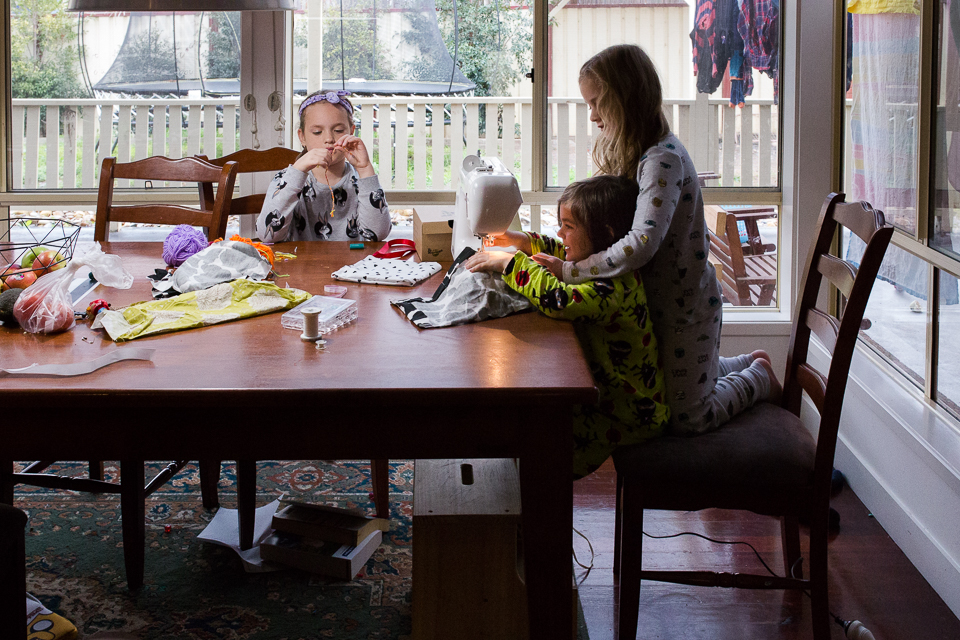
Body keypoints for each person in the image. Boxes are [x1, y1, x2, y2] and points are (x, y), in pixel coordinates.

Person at [529, 44, 780, 435]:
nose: (593, 116)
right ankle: (746, 359)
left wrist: (572, 270)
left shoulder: (662, 160)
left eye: (598, 104)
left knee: (689, 417)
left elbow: (641, 242)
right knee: (680, 383)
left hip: (684, 311)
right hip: (661, 305)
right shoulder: (640, 155)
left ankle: (759, 375)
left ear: (625, 98)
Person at [465, 175, 670, 479]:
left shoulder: (614, 289)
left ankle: (540, 512)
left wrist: (510, 264)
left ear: (607, 235)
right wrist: (525, 241)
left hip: (627, 412)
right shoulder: (603, 261)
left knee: (546, 453)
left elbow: (558, 299)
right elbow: (563, 254)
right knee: (532, 425)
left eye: (569, 227)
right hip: (609, 399)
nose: (560, 233)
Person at [257, 90, 392, 243]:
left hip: (354, 264)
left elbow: (378, 234)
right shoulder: (286, 179)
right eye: (317, 132)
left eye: (338, 130)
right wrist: (296, 171)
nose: (329, 139)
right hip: (300, 265)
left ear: (351, 132)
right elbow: (267, 235)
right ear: (302, 137)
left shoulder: (361, 180)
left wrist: (365, 169)